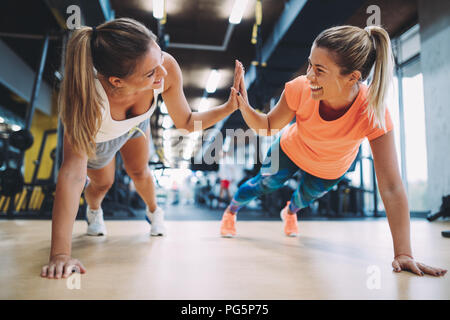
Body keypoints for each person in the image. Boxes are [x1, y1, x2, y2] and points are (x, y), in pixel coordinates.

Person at [221, 25, 447, 277]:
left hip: (331, 167)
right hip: (290, 148)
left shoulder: (372, 111)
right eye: (310, 65)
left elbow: (391, 186)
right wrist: (244, 105)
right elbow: (268, 126)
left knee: (302, 200)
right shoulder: (299, 88)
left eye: (319, 70)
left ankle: (290, 212)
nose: (309, 76)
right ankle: (231, 211)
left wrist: (403, 253)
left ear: (352, 77)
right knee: (263, 184)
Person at [41, 18, 240, 279]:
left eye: (159, 59)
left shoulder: (164, 65)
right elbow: (72, 175)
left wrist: (228, 107)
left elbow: (187, 122)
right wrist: (60, 256)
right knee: (102, 184)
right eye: (150, 74)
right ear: (117, 81)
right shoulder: (85, 101)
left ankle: (155, 212)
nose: (164, 74)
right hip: (99, 136)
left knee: (140, 172)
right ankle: (94, 211)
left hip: (136, 123)